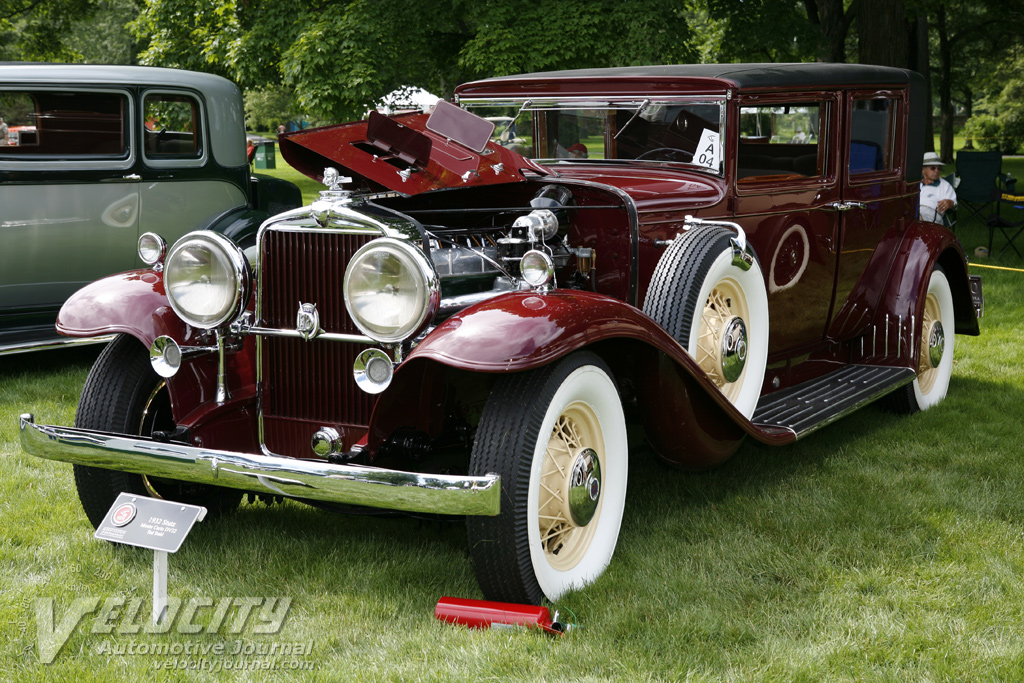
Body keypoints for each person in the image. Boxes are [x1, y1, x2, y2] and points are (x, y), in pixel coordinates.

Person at [919, 151, 957, 225]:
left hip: (931, 215)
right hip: (911, 213)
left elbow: (954, 204)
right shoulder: (914, 183)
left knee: (917, 218)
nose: (936, 171)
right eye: (933, 168)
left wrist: (950, 203)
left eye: (939, 168)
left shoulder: (945, 185)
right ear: (923, 170)